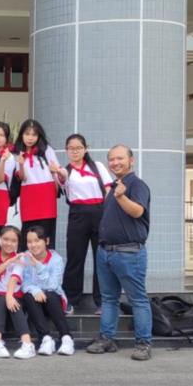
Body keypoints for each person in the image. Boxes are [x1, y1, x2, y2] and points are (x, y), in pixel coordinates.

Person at [87, 145, 154, 361]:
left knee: (138, 300)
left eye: (120, 158)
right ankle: (107, 339)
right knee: (108, 299)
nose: (115, 163)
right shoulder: (115, 186)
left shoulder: (137, 185)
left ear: (131, 160)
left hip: (129, 254)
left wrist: (121, 196)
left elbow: (138, 211)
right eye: (112, 159)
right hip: (105, 252)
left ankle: (143, 343)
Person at [60, 134, 112, 314]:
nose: (75, 151)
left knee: (101, 258)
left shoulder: (97, 166)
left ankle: (102, 301)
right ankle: (70, 299)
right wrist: (57, 172)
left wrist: (107, 212)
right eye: (71, 148)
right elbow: (61, 183)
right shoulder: (65, 171)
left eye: (78, 148)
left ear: (85, 149)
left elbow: (108, 188)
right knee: (75, 257)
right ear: (66, 150)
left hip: (100, 212)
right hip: (77, 214)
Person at [20, 226, 75, 356]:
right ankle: (45, 339)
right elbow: (24, 282)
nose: (33, 245)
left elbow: (54, 285)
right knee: (29, 295)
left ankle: (66, 338)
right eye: (29, 241)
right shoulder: (25, 258)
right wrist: (36, 290)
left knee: (50, 294)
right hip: (35, 301)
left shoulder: (56, 260)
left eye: (37, 240)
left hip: (53, 300)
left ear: (47, 241)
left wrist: (38, 266)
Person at [0, 226, 36, 359]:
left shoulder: (21, 259)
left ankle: (28, 344)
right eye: (5, 239)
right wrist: (9, 262)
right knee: (1, 299)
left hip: (14, 296)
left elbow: (14, 278)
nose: (9, 243)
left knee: (13, 302)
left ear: (18, 243)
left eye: (13, 241)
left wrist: (9, 295)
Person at [13, 119, 65, 249]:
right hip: (28, 197)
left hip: (46, 198)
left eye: (34, 134)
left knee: (46, 235)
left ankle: (48, 261)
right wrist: (21, 163)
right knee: (28, 235)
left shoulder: (47, 150)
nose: (30, 138)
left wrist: (56, 171)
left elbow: (57, 172)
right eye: (27, 134)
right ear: (21, 134)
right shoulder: (18, 152)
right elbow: (22, 178)